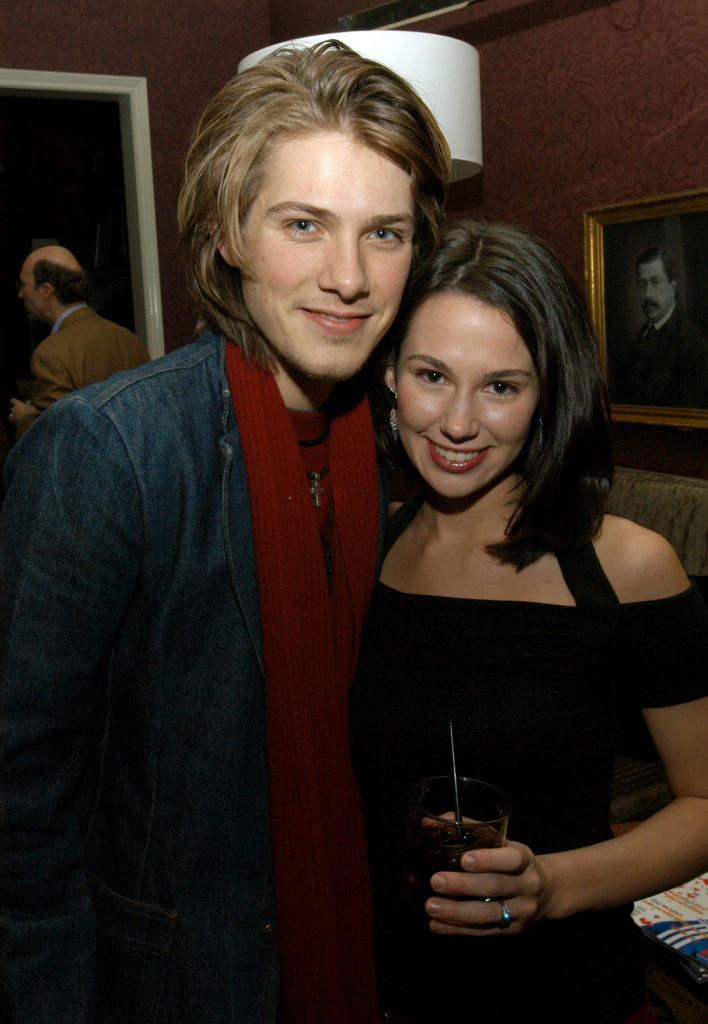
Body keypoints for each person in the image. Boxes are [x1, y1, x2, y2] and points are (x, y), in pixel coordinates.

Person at [0, 41, 450, 1024]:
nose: (349, 276)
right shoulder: (105, 452)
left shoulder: (397, 448)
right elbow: (19, 807)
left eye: (386, 233)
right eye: (304, 224)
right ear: (225, 234)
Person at [350, 221, 708, 1024]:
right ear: (388, 373)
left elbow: (706, 803)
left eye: (502, 387)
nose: (458, 422)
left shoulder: (629, 567)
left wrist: (551, 886)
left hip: (573, 996)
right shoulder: (362, 551)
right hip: (387, 995)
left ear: (550, 392)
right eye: (432, 375)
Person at [9, 245, 150, 438]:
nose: (20, 294)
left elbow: (57, 445)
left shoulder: (50, 354)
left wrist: (26, 424)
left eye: (22, 285)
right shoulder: (131, 339)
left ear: (45, 290)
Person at [610, 246, 708, 408]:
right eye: (642, 284)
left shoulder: (693, 344)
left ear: (673, 287)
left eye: (655, 282)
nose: (648, 294)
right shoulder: (638, 339)